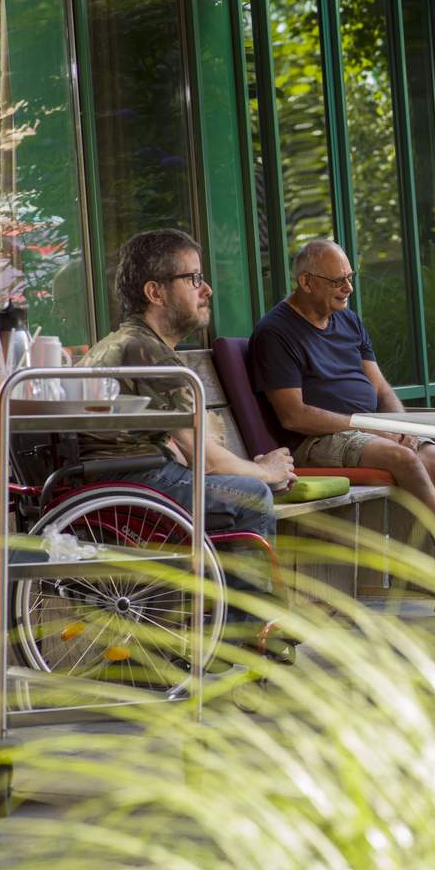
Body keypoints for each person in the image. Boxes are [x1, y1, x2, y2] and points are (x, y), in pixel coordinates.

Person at [78, 229, 297, 598]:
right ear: (155, 292)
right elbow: (206, 463)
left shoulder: (124, 343)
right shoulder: (148, 354)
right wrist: (266, 470)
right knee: (253, 495)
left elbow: (184, 448)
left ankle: (207, 613)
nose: (206, 288)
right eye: (193, 278)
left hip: (110, 480)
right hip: (131, 482)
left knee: (241, 485)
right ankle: (247, 631)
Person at [249, 240, 435, 569]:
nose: (348, 288)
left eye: (350, 277)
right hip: (315, 440)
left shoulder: (349, 322)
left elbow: (380, 387)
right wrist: (372, 428)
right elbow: (294, 416)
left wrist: (402, 427)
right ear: (306, 282)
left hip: (371, 431)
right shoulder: (276, 333)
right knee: (402, 458)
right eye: (337, 281)